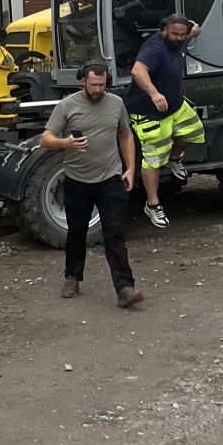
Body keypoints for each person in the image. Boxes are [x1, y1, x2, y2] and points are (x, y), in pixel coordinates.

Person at [40, 63, 143, 308]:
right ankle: (72, 277)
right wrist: (65, 143)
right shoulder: (67, 105)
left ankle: (125, 288)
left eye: (102, 84)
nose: (98, 89)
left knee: (115, 233)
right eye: (94, 84)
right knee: (76, 233)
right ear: (82, 82)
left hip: (110, 179)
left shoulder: (115, 103)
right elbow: (46, 138)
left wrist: (130, 168)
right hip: (77, 180)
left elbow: (125, 134)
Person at [123, 13, 206, 228]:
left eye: (182, 35)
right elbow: (137, 70)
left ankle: (175, 157)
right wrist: (154, 94)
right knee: (152, 158)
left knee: (194, 132)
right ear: (164, 30)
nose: (179, 38)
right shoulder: (155, 47)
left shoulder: (181, 38)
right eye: (175, 34)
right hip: (147, 110)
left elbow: (194, 29)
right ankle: (152, 205)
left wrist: (193, 30)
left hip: (175, 105)